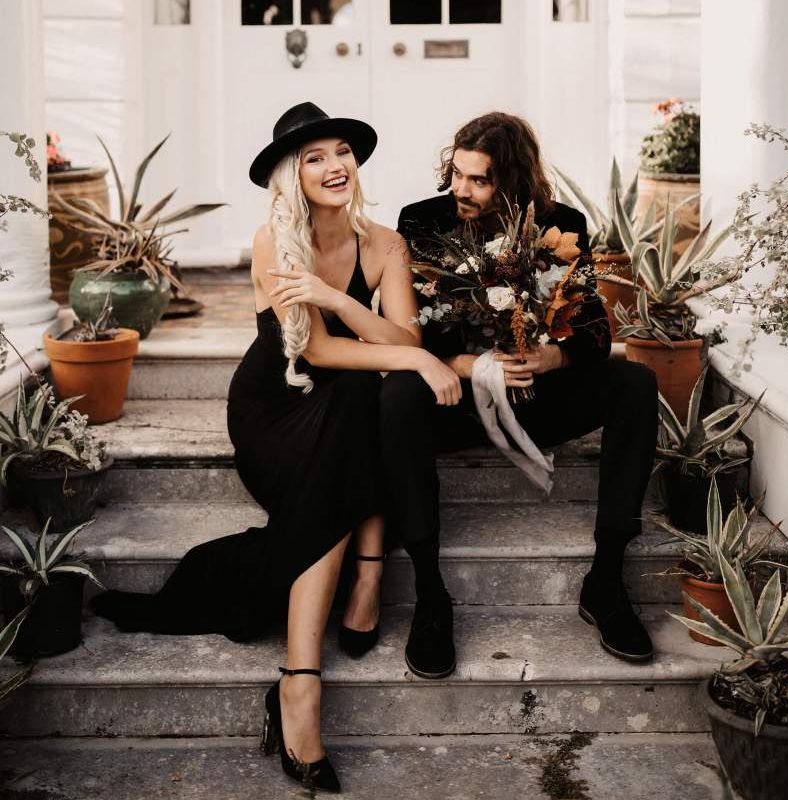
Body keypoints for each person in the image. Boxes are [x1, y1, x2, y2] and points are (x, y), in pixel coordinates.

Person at [93, 102, 462, 794]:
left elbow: (404, 342)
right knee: (369, 393)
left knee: (368, 398)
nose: (334, 167)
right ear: (292, 176)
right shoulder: (275, 240)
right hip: (274, 408)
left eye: (342, 152)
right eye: (314, 157)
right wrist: (404, 354)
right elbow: (320, 349)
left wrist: (346, 301)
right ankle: (343, 614)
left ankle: (304, 676)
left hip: (343, 409)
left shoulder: (387, 245)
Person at [384, 111, 658, 681]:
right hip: (456, 403)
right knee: (399, 393)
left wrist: (552, 356)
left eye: (477, 180)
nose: (460, 189)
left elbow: (596, 332)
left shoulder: (561, 224)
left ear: (510, 181)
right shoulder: (422, 222)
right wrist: (471, 364)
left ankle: (605, 578)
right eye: (456, 174)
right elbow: (413, 336)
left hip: (539, 401)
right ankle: (431, 596)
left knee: (635, 380)